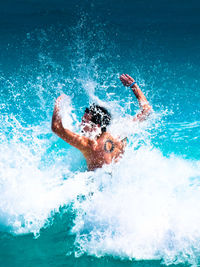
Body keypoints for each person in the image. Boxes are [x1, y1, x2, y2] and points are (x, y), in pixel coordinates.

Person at [51, 74, 152, 171]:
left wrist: (58, 106)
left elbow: (56, 128)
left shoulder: (90, 145)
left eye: (84, 123)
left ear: (96, 126)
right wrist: (134, 86)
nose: (80, 125)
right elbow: (147, 111)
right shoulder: (119, 134)